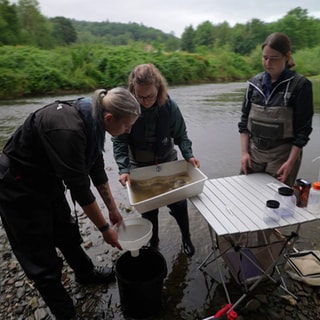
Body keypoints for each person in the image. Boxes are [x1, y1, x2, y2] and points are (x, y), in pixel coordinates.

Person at [0, 88, 140, 320]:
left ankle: (85, 274)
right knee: (41, 259)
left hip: (47, 179)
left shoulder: (94, 118)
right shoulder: (70, 130)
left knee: (66, 229)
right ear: (109, 118)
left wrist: (113, 210)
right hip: (18, 186)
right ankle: (66, 314)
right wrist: (105, 229)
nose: (129, 131)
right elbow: (81, 190)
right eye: (127, 125)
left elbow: (95, 166)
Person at [112, 63, 200, 257]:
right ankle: (154, 242)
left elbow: (181, 135)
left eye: (150, 96)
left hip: (167, 161)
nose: (145, 101)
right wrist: (123, 169)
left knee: (178, 204)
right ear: (133, 90)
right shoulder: (126, 109)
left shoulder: (170, 107)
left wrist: (189, 155)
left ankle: (186, 237)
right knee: (148, 209)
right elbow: (119, 141)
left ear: (158, 89)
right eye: (140, 96)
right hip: (139, 164)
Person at [238, 32, 313, 187]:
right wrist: (244, 153)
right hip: (254, 153)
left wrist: (290, 163)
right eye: (265, 57)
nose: (268, 63)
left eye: (274, 58)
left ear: (287, 56)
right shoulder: (253, 84)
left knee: (274, 203)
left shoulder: (300, 86)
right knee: (244, 194)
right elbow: (244, 122)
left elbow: (303, 131)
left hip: (283, 156)